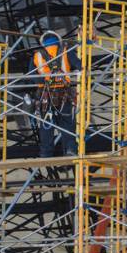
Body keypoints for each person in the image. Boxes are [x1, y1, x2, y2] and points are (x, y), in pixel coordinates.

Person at [32, 30, 79, 158]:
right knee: (67, 124)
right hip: (64, 94)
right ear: (58, 41)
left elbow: (32, 76)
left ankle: (46, 153)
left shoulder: (37, 55)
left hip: (45, 95)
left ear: (43, 44)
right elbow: (80, 66)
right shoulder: (66, 51)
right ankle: (70, 150)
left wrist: (43, 82)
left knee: (47, 125)